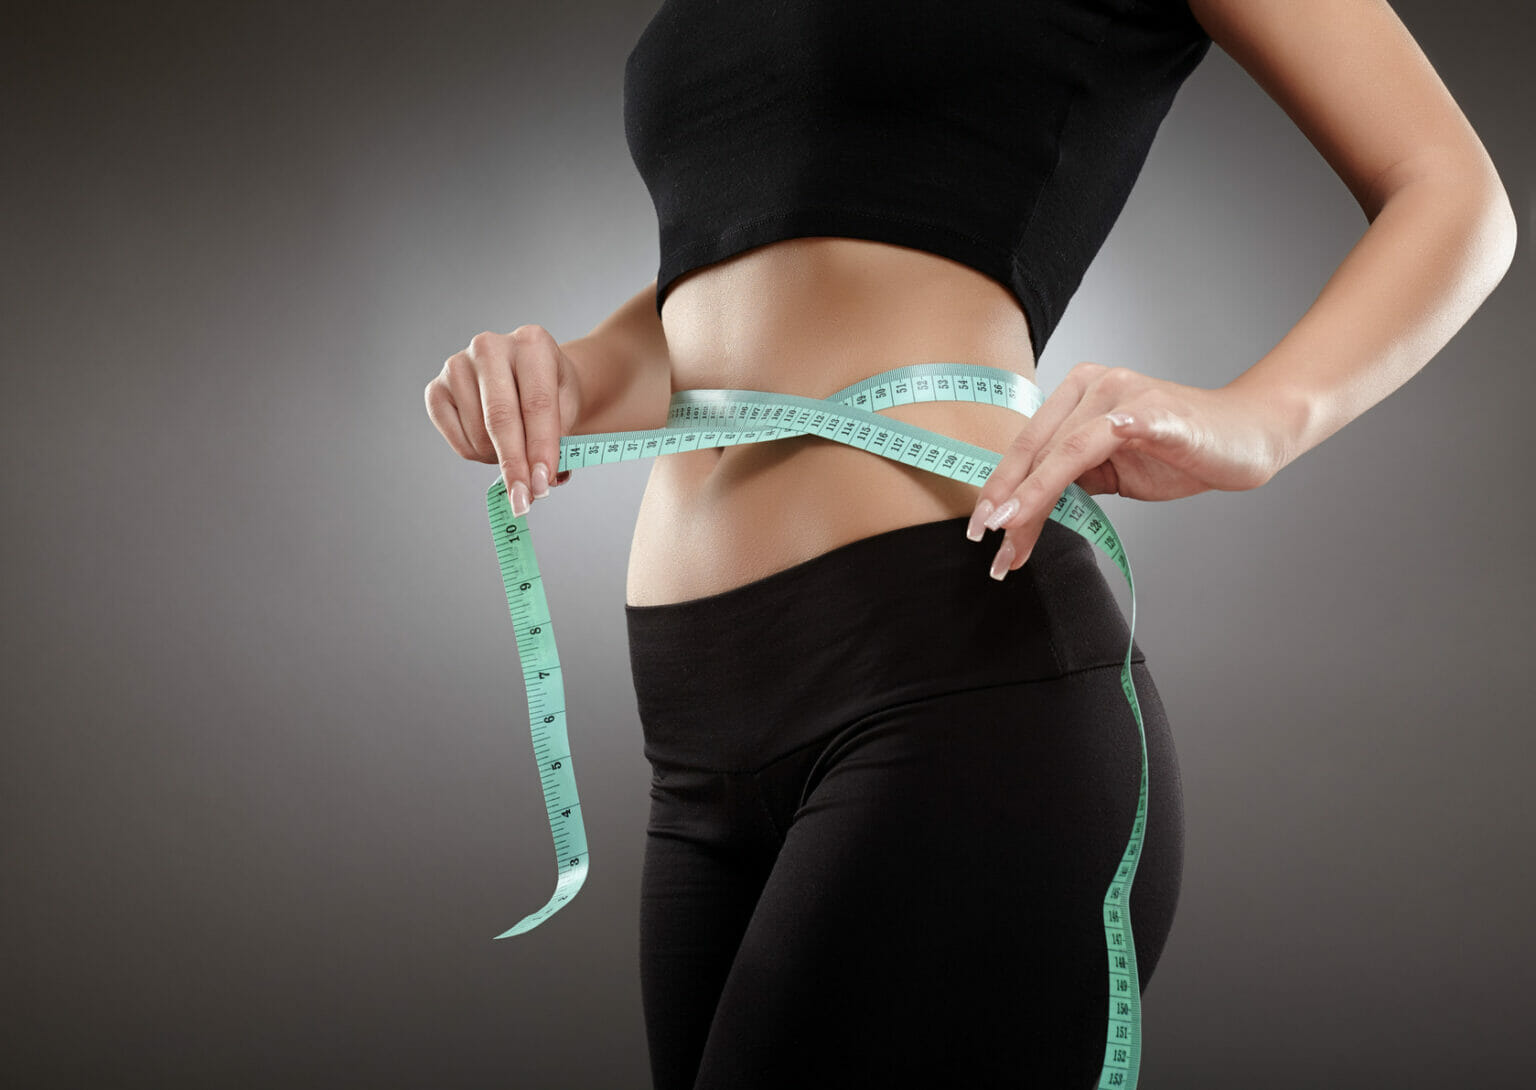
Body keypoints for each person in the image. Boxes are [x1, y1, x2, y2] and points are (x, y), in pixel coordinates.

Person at [424, 0, 1516, 1085]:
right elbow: (740, 268)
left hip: (951, 678)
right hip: (694, 738)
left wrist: (1260, 420)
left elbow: (1456, 194)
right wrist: (562, 377)